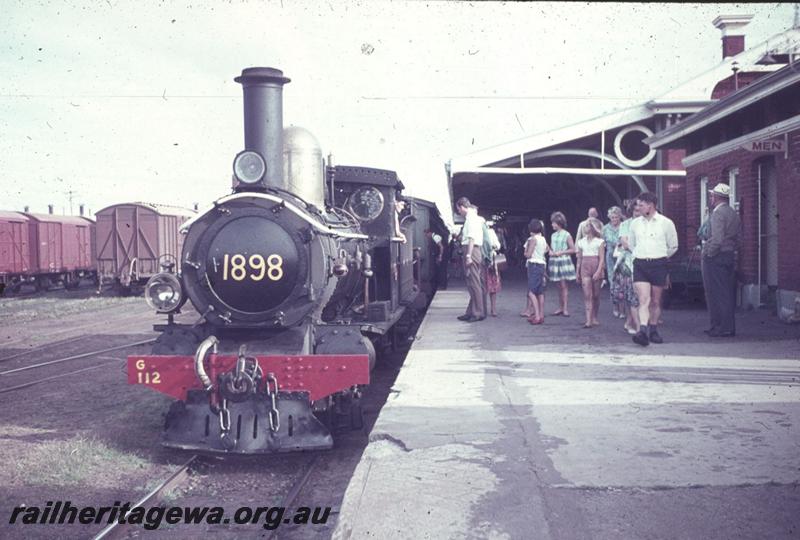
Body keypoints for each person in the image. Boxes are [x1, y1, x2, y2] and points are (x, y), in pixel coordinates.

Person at [624, 192, 678, 346]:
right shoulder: (635, 224)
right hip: (640, 263)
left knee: (655, 300)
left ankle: (653, 330)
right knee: (643, 299)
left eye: (641, 205)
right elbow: (632, 244)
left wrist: (660, 256)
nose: (638, 208)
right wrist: (639, 255)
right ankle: (642, 330)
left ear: (651, 205)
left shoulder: (665, 223)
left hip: (659, 264)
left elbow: (673, 245)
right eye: (638, 205)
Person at [701, 183, 741, 337]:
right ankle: (727, 326)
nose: (710, 198)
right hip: (729, 255)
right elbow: (739, 239)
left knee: (714, 293)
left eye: (712, 195)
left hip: (716, 256)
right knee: (726, 293)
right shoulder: (733, 213)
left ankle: (720, 327)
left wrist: (709, 253)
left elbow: (716, 239)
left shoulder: (717, 214)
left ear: (717, 197)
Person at [455, 197, 486, 322]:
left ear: (462, 207)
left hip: (471, 250)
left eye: (459, 210)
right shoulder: (473, 218)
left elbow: (472, 238)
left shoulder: (471, 219)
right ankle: (471, 311)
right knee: (472, 283)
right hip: (473, 250)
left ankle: (478, 312)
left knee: (474, 283)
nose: (459, 212)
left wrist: (468, 255)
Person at [613, 200, 640, 335]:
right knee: (631, 293)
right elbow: (624, 242)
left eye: (640, 210)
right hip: (628, 262)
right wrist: (638, 251)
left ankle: (631, 322)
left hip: (642, 261)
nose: (638, 213)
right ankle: (634, 323)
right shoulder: (625, 224)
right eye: (635, 210)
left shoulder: (646, 224)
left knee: (639, 295)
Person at [576, 217, 605, 328]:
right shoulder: (581, 242)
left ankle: (594, 317)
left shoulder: (600, 242)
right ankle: (588, 320)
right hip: (585, 267)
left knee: (596, 295)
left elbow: (602, 258)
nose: (585, 227)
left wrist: (599, 271)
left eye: (587, 226)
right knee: (587, 295)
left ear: (593, 228)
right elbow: (579, 258)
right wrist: (577, 272)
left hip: (596, 265)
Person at [547, 211, 577, 316]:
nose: (552, 224)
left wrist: (562, 252)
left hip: (563, 261)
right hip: (554, 261)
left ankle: (565, 308)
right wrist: (550, 251)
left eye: (553, 223)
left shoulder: (567, 235)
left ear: (559, 223)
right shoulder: (553, 235)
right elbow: (551, 248)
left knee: (564, 285)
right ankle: (560, 307)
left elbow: (573, 249)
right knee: (558, 286)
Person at [523, 219, 548, 325]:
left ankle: (536, 315)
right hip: (542, 264)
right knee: (540, 292)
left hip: (534, 265)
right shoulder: (543, 239)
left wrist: (525, 251)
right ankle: (541, 315)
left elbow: (528, 254)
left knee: (531, 292)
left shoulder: (532, 239)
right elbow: (547, 250)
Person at [603, 206, 624, 318]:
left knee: (622, 282)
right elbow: (602, 243)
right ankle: (615, 306)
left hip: (622, 257)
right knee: (613, 282)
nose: (614, 219)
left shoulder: (624, 226)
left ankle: (623, 309)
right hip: (610, 257)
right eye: (612, 217)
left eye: (616, 217)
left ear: (620, 216)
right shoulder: (605, 228)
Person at [485, 223, 502, 317]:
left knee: (493, 287)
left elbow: (498, 245)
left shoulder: (490, 232)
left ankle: (493, 308)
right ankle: (484, 308)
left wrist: (494, 246)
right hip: (482, 261)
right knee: (483, 287)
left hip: (491, 261)